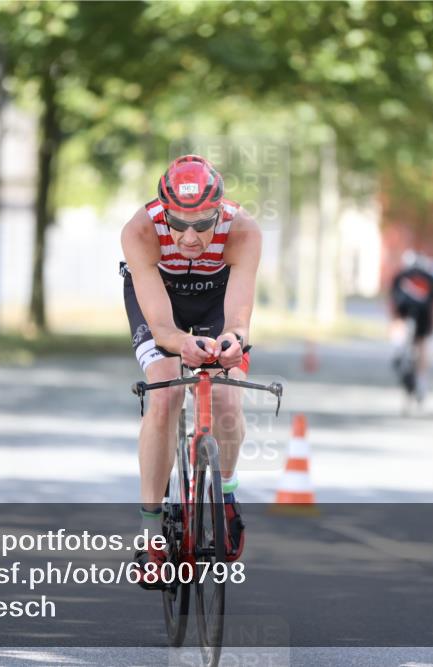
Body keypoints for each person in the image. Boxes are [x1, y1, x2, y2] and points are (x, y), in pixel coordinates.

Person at [120, 154, 260, 589]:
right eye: (179, 224)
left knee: (226, 394)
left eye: (202, 223)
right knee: (164, 393)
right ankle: (150, 537)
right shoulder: (140, 230)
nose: (190, 236)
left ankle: (228, 495)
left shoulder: (243, 230)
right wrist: (182, 344)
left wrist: (233, 343)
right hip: (161, 300)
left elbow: (238, 321)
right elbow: (162, 328)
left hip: (215, 300)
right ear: (164, 214)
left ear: (219, 212)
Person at [389, 250, 433, 404]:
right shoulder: (430, 278)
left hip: (404, 311)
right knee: (422, 342)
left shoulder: (401, 275)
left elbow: (392, 300)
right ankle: (422, 380)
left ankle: (398, 347)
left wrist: (393, 318)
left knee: (399, 323)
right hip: (423, 314)